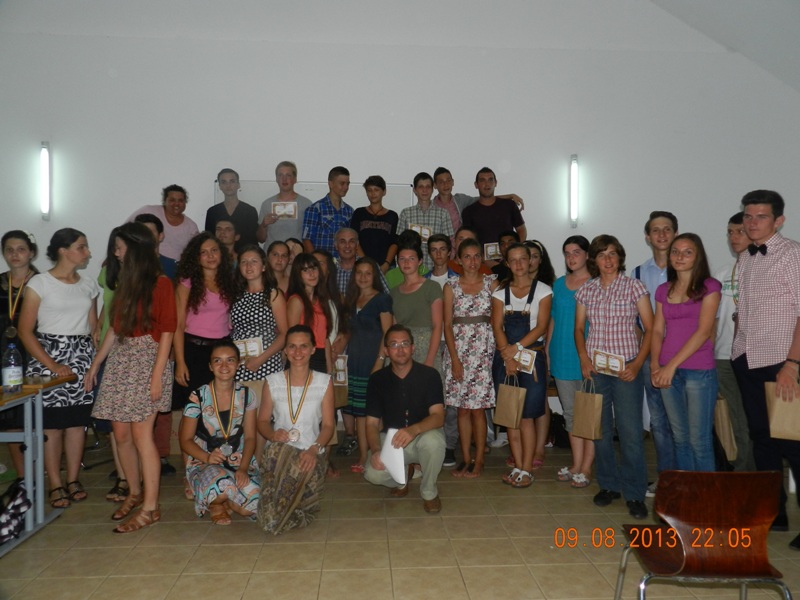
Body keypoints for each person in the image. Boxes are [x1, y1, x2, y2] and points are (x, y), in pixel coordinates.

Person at [86, 222, 176, 532]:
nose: (116, 253)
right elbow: (114, 327)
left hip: (148, 359)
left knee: (141, 435)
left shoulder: (161, 284)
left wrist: (156, 376)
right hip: (121, 359)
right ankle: (135, 493)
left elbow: (167, 332)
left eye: (120, 247)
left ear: (136, 249)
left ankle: (150, 508)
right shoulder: (125, 282)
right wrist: (96, 364)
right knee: (120, 433)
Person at [730, 190, 800, 550]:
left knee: (794, 442)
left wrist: (793, 364)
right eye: (748, 216)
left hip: (782, 362)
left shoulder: (792, 254)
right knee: (762, 438)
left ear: (779, 220)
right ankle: (775, 513)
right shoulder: (745, 257)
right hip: (747, 359)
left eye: (761, 216)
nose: (752, 222)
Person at [18, 228, 100, 508]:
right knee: (52, 427)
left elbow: (94, 327)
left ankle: (73, 479)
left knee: (77, 424)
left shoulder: (88, 284)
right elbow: (25, 330)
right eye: (82, 247)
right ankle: (55, 483)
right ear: (63, 251)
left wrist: (94, 361)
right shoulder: (40, 283)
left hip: (82, 358)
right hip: (48, 357)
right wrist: (52, 365)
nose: (87, 252)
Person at [575, 235, 652, 519]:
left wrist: (638, 364)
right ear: (594, 260)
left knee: (630, 433)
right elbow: (578, 329)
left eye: (612, 254)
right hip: (596, 369)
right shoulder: (587, 290)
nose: (607, 260)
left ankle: (635, 493)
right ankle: (608, 485)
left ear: (619, 257)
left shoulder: (634, 287)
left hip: (626, 369)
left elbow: (651, 328)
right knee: (600, 431)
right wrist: (584, 358)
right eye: (601, 255)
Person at [651, 234, 721, 471]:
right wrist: (655, 364)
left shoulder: (710, 287)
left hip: (698, 371)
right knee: (680, 438)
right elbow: (657, 330)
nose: (680, 257)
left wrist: (670, 367)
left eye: (687, 252)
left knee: (699, 441)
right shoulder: (663, 290)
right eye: (675, 252)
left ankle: (706, 493)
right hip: (667, 371)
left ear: (697, 256)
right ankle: (687, 491)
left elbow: (704, 332)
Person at [257, 325, 335, 534]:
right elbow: (262, 421)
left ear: (313, 349)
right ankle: (278, 514)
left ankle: (276, 515)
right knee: (277, 451)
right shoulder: (272, 382)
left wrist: (314, 449)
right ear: (285, 350)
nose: (297, 352)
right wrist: (273, 434)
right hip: (280, 452)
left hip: (311, 452)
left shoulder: (324, 382)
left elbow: (328, 426)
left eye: (303, 346)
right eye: (292, 346)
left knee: (297, 470)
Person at [364, 325, 445, 513]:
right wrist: (376, 450)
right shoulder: (377, 380)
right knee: (373, 474)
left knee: (434, 442)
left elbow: (438, 417)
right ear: (386, 351)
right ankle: (401, 479)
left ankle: (429, 492)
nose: (400, 349)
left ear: (413, 348)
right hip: (391, 440)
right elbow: (371, 423)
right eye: (394, 344)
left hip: (422, 436)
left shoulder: (429, 375)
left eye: (405, 344)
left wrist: (413, 430)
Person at [491, 243, 551, 488]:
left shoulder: (543, 291)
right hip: (505, 359)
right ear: (507, 263)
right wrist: (508, 358)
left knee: (526, 417)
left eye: (523, 259)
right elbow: (497, 326)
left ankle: (527, 469)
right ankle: (517, 465)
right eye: (513, 260)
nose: (518, 264)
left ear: (531, 261)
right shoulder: (499, 293)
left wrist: (514, 350)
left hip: (532, 359)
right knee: (510, 417)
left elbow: (541, 326)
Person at [179, 341, 260, 525]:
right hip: (205, 461)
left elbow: (250, 437)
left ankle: (231, 501)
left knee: (251, 507)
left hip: (238, 460)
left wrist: (243, 468)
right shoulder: (197, 397)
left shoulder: (248, 395)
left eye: (230, 360)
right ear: (210, 366)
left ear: (238, 364)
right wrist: (207, 457)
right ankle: (217, 504)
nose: (224, 366)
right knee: (221, 487)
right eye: (217, 360)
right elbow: (185, 440)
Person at [172, 233, 237, 444]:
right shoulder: (187, 283)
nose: (210, 256)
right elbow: (178, 325)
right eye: (204, 252)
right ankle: (189, 459)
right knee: (193, 410)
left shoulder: (229, 281)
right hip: (194, 351)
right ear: (196, 257)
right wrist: (180, 362)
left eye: (214, 250)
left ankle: (214, 455)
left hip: (222, 350)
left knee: (218, 407)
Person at [632, 211, 678, 494]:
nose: (662, 235)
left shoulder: (688, 268)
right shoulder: (638, 273)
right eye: (656, 230)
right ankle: (666, 478)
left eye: (667, 229)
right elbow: (635, 321)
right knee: (659, 422)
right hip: (653, 356)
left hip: (685, 355)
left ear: (675, 233)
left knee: (685, 424)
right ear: (648, 237)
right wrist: (644, 353)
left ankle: (690, 480)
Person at [444, 239, 498, 478]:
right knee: (462, 410)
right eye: (467, 256)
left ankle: (479, 460)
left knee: (478, 410)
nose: (472, 261)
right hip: (458, 351)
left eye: (477, 256)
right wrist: (455, 359)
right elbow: (447, 325)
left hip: (483, 351)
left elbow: (498, 319)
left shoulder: (491, 283)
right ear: (459, 259)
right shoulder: (451, 286)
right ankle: (465, 458)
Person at [231, 245, 288, 456]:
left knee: (261, 419)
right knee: (243, 418)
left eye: (254, 261)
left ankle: (255, 463)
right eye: (244, 262)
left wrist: (260, 359)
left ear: (264, 266)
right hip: (239, 365)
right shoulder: (235, 295)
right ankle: (243, 462)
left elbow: (285, 334)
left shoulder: (273, 294)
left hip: (266, 363)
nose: (248, 266)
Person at [548, 235, 594, 488]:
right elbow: (553, 319)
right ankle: (576, 464)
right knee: (570, 413)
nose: (571, 257)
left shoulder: (596, 283)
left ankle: (587, 468)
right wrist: (547, 350)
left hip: (588, 358)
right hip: (562, 356)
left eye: (576, 252)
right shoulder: (558, 284)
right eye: (567, 253)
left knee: (588, 415)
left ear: (587, 254)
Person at [713, 212, 755, 471]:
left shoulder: (765, 270)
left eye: (740, 231)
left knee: (754, 417)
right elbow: (714, 320)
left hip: (754, 356)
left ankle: (753, 472)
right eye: (730, 232)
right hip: (723, 355)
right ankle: (743, 470)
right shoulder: (722, 273)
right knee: (736, 417)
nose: (734, 237)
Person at [343, 258, 393, 472]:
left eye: (368, 273)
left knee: (371, 412)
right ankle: (364, 454)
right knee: (358, 412)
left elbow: (388, 333)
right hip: (354, 361)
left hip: (373, 361)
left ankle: (375, 454)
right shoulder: (351, 299)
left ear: (375, 276)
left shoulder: (382, 299)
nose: (363, 277)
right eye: (359, 272)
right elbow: (347, 332)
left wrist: (379, 362)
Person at [0, 230, 39, 477]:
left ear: (31, 253)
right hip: (4, 357)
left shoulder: (43, 283)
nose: (15, 255)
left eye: (21, 249)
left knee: (38, 417)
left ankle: (41, 471)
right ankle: (24, 477)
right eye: (9, 250)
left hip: (35, 355)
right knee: (11, 418)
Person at [390, 238, 444, 369]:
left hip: (426, 347)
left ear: (420, 261)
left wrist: (430, 360)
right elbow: (394, 327)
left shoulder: (432, 287)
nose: (406, 262)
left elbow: (437, 326)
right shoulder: (393, 292)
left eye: (411, 258)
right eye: (402, 259)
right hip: (402, 348)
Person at [128, 184, 199, 279]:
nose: (176, 204)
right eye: (172, 200)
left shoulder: (191, 226)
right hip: (144, 265)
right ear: (164, 201)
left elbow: (195, 254)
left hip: (175, 272)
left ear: (185, 203)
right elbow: (126, 230)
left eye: (180, 200)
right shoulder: (149, 211)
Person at [287, 253, 334, 373]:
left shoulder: (321, 299)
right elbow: (292, 338)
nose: (311, 273)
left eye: (314, 268)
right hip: (301, 356)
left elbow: (325, 338)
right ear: (298, 275)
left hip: (321, 357)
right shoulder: (296, 300)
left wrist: (329, 369)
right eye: (305, 270)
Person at [461, 167, 526, 253]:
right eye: (482, 180)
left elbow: (521, 230)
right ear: (476, 185)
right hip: (481, 259)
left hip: (508, 258)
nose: (487, 184)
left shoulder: (509, 205)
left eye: (490, 180)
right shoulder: (468, 212)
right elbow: (468, 239)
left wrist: (515, 251)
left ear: (495, 183)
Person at [397, 172, 454, 270]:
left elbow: (448, 244)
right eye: (421, 187)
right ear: (415, 190)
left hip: (435, 268)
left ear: (432, 189)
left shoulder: (443, 214)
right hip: (411, 268)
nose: (424, 190)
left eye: (428, 187)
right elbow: (400, 243)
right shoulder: (406, 213)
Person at [257, 161, 312, 252]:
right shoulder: (267, 204)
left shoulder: (306, 204)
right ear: (276, 179)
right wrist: (263, 225)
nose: (284, 179)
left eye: (288, 175)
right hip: (272, 255)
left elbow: (309, 238)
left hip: (295, 255)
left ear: (295, 179)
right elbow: (261, 239)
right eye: (280, 175)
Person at [349, 175, 398, 273]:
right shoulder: (359, 213)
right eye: (369, 190)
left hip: (387, 267)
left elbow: (394, 242)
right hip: (363, 266)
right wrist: (366, 263)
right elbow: (354, 239)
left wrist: (386, 264)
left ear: (384, 192)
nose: (373, 193)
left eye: (376, 190)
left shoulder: (392, 215)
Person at [302, 166, 353, 255]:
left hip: (342, 261)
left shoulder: (349, 211)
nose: (346, 187)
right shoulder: (315, 209)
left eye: (347, 184)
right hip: (321, 261)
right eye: (342, 183)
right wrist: (316, 261)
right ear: (331, 184)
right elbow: (307, 240)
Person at [205, 168, 259, 250]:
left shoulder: (250, 211)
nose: (228, 185)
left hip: (244, 255)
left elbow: (253, 240)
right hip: (220, 255)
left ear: (238, 185)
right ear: (219, 186)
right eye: (224, 182)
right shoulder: (212, 212)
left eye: (232, 181)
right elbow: (209, 239)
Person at [333, 227, 389, 297]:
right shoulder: (329, 268)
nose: (347, 246)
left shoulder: (370, 266)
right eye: (342, 242)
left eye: (351, 241)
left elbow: (386, 295)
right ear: (336, 246)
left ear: (357, 245)